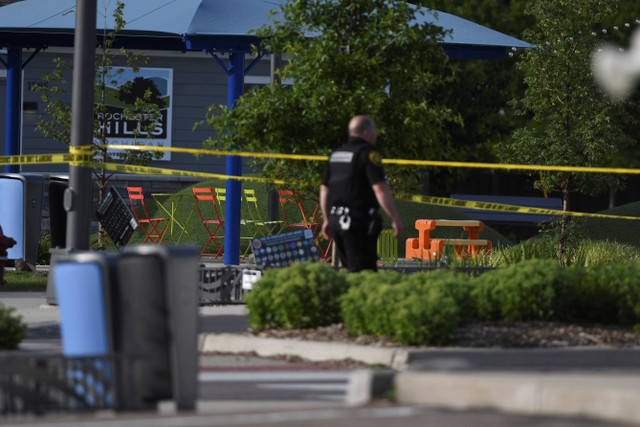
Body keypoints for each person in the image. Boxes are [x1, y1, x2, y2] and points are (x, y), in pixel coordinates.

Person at [320, 115, 403, 272]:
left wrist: (326, 219)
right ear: (366, 132)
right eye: (374, 130)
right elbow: (380, 189)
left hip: (336, 220)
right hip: (357, 222)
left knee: (348, 269)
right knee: (364, 272)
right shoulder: (369, 155)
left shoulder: (335, 155)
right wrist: (395, 218)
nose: (376, 135)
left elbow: (324, 190)